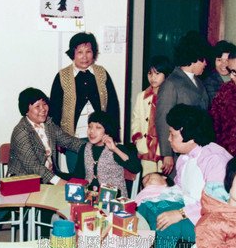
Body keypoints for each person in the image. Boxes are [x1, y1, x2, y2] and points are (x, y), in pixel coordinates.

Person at [153, 104, 232, 248]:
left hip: (214, 220)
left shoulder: (214, 159)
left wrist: (180, 214)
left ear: (189, 136)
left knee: (167, 225)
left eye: (172, 135)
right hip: (193, 209)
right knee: (151, 208)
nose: (168, 139)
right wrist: (156, 196)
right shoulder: (185, 157)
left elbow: (217, 202)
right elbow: (181, 189)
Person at [50, 32, 120, 173]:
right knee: (77, 178)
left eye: (88, 51)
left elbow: (113, 105)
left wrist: (114, 134)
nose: (84, 56)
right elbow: (55, 110)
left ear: (93, 53)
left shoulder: (101, 73)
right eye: (80, 52)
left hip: (101, 137)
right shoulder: (63, 76)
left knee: (100, 175)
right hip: (72, 139)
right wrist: (57, 139)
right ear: (73, 54)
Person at [156, 31, 211, 175]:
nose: (206, 63)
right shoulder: (171, 83)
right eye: (203, 59)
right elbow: (163, 120)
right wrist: (167, 154)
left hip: (196, 147)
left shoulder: (198, 82)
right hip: (177, 150)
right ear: (194, 58)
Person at [8, 87, 84, 185]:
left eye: (44, 104)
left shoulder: (48, 124)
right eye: (37, 106)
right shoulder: (21, 131)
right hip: (26, 180)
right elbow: (33, 166)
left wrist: (95, 148)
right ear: (26, 110)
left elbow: (70, 141)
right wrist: (60, 182)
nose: (43, 109)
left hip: (48, 178)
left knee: (83, 183)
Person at [59, 111, 141, 197]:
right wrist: (56, 174)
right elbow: (78, 176)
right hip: (90, 198)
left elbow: (136, 168)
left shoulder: (117, 148)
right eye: (90, 127)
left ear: (107, 130)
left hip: (114, 200)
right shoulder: (84, 148)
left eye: (98, 127)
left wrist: (115, 149)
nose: (91, 131)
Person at [135, 172, 191, 248]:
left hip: (184, 221)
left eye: (150, 175)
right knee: (165, 224)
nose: (146, 178)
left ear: (164, 177)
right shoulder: (144, 197)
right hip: (163, 226)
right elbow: (138, 217)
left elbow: (193, 205)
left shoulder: (178, 190)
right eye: (144, 181)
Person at [131, 56, 173, 175]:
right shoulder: (142, 96)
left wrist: (168, 151)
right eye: (150, 73)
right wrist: (137, 138)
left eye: (157, 74)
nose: (153, 78)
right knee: (147, 179)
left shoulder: (169, 96)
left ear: (166, 75)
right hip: (146, 147)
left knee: (163, 181)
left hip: (163, 148)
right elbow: (136, 119)